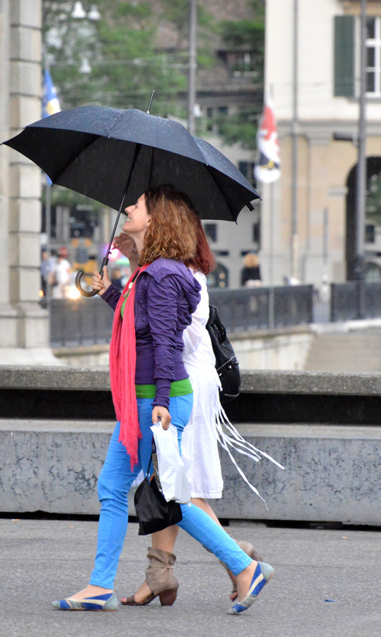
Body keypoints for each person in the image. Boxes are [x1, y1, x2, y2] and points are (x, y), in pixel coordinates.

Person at [52, 186, 273, 614]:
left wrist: (164, 402)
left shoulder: (164, 274)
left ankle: (243, 565)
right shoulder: (151, 272)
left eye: (134, 206)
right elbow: (143, 329)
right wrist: (109, 293)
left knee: (168, 497)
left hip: (157, 400)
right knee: (115, 487)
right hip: (144, 398)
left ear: (155, 220)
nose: (127, 210)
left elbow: (167, 343)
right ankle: (99, 586)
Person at [120, 221, 281, 608]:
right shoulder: (166, 272)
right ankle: (163, 572)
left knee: (177, 485)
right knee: (170, 480)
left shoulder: (183, 277)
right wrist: (131, 264)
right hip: (181, 381)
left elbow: (167, 336)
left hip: (182, 383)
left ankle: (236, 560)